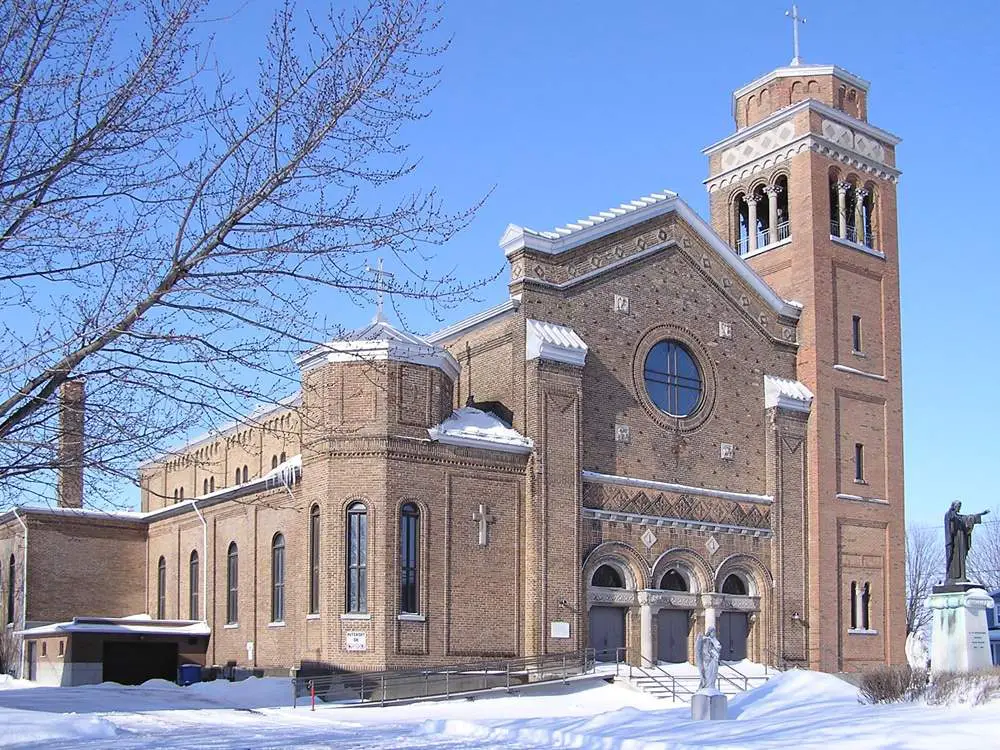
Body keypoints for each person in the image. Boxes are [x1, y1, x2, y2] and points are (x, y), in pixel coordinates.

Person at [944, 501, 990, 582]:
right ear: (954, 506)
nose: (959, 508)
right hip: (954, 541)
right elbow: (950, 517)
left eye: (960, 506)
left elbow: (970, 517)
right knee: (954, 558)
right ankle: (952, 578)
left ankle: (962, 577)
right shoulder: (949, 515)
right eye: (958, 506)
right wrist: (951, 510)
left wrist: (982, 514)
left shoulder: (961, 517)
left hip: (961, 539)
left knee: (962, 557)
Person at [695, 626, 721, 691]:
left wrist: (715, 652)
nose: (714, 633)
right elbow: (705, 651)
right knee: (708, 675)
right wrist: (711, 653)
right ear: (709, 632)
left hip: (714, 661)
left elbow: (718, 648)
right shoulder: (706, 640)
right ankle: (707, 686)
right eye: (712, 632)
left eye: (714, 632)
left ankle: (711, 686)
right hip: (708, 661)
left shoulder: (714, 640)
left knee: (713, 675)